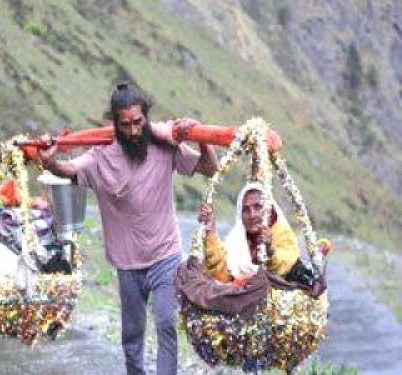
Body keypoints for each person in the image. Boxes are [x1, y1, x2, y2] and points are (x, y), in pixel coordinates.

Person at [39, 82, 218, 375]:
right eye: (125, 125)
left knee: (165, 323)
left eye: (138, 122)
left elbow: (209, 169)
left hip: (165, 255)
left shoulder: (165, 146)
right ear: (115, 124)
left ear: (146, 118)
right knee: (132, 337)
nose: (134, 131)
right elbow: (68, 170)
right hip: (127, 264)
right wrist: (49, 162)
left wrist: (201, 138)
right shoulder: (101, 157)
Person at [199, 182, 325, 297]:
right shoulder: (237, 238)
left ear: (268, 209)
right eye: (246, 210)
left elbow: (284, 266)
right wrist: (211, 230)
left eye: (258, 207)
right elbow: (221, 272)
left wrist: (270, 249)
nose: (252, 215)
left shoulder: (281, 232)